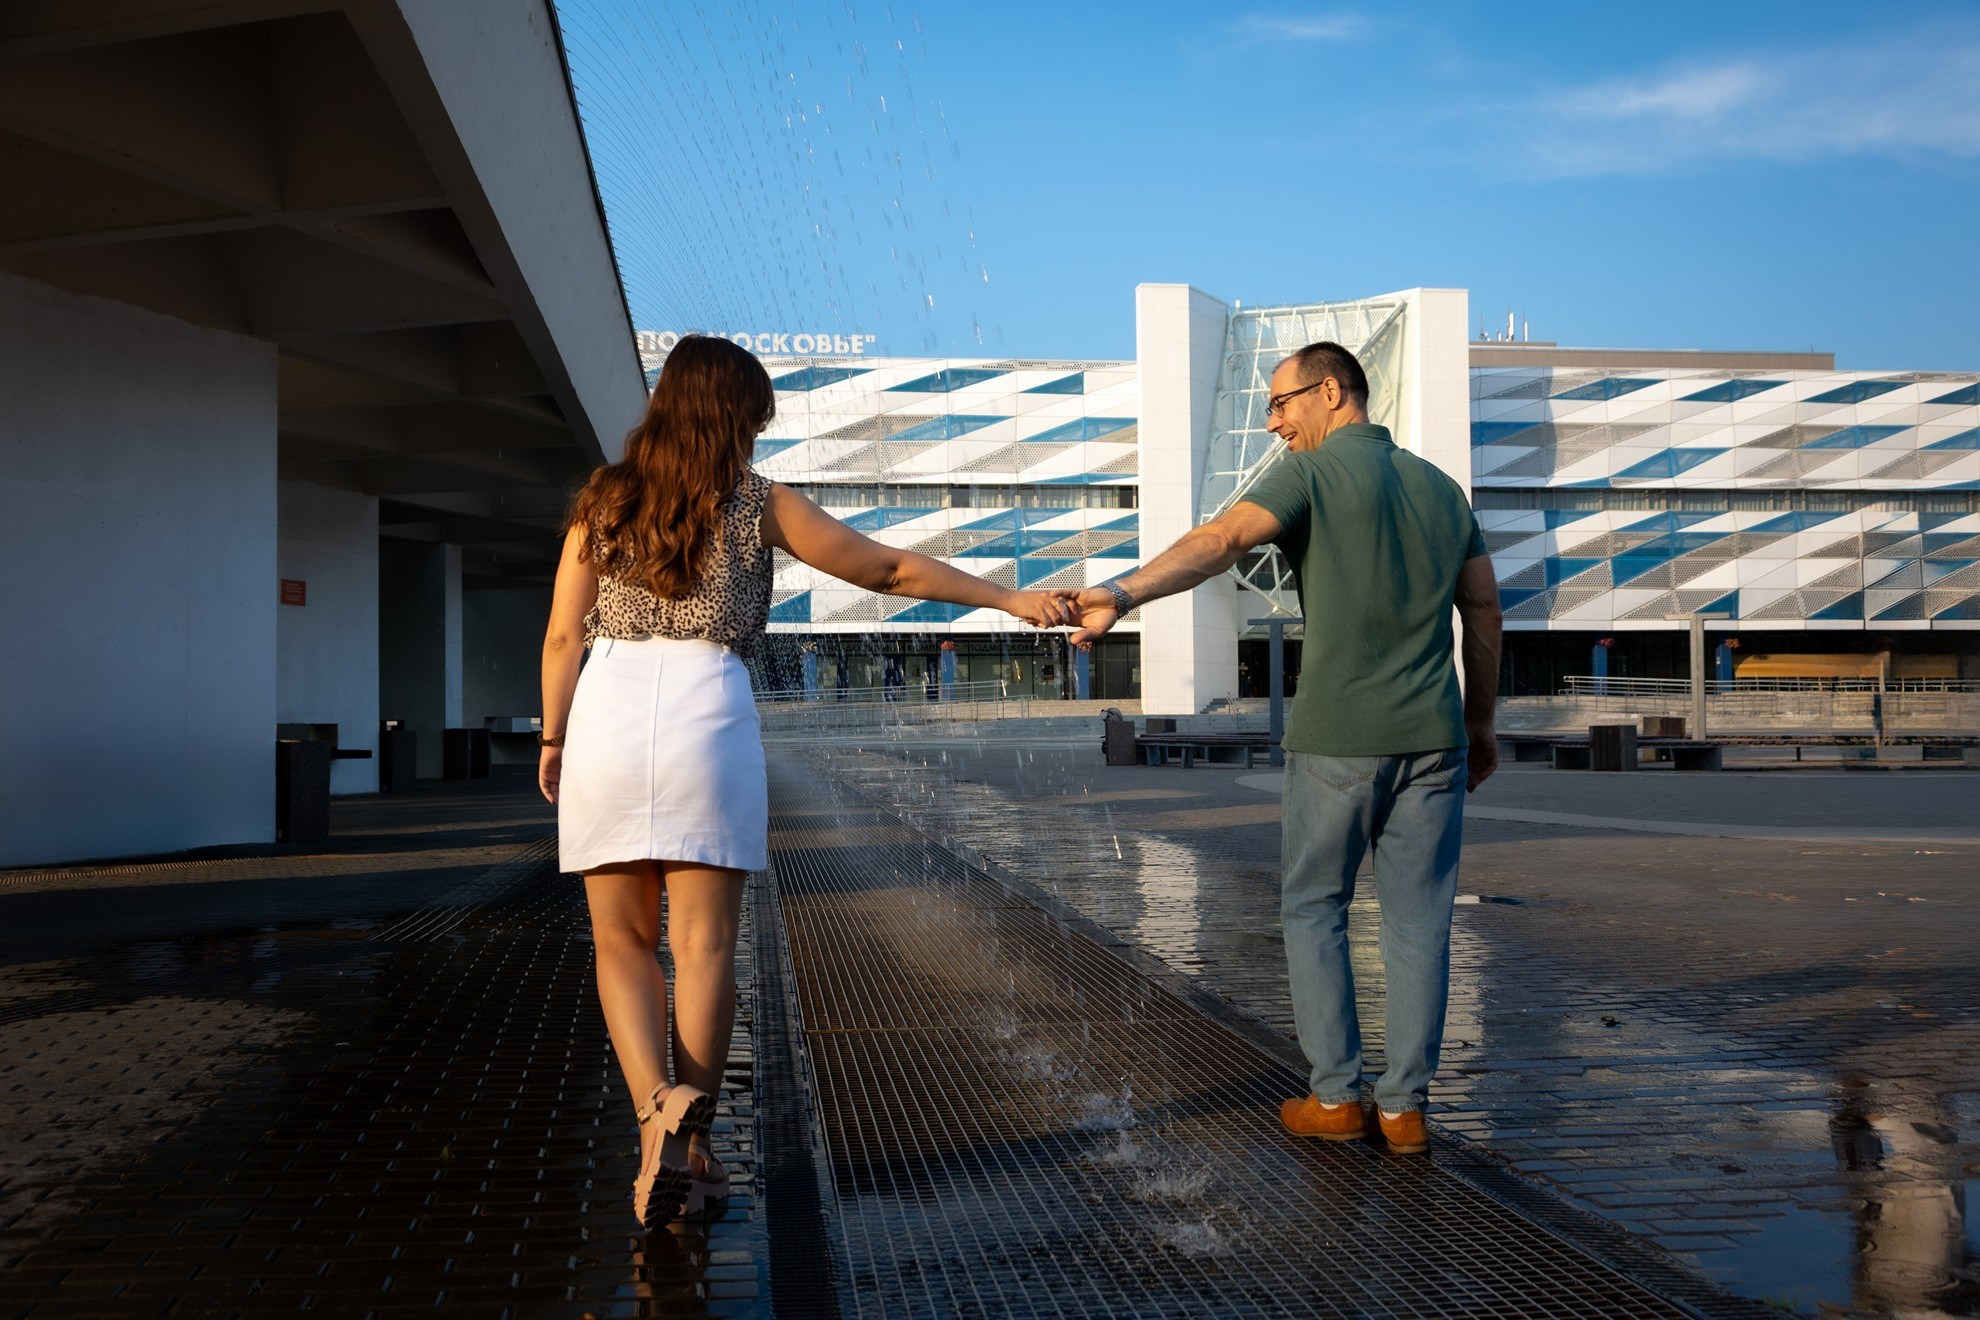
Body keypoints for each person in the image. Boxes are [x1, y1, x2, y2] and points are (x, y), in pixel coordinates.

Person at [538, 335, 1074, 1229]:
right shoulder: (757, 501)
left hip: (608, 711)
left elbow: (563, 634)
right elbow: (887, 569)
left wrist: (554, 735)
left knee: (621, 942)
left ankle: (655, 1120)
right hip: (708, 706)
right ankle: (693, 1150)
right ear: (735, 415)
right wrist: (1010, 599)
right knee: (705, 947)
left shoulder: (604, 499)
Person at [1062, 340, 1502, 1154]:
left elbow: (1225, 539)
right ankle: (1405, 1110)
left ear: (1331, 392)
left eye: (1280, 404)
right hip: (1434, 739)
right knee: (1418, 923)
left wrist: (1121, 593)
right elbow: (1482, 608)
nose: (1273, 424)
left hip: (1338, 738)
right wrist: (1480, 722)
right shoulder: (1443, 489)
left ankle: (1335, 1097)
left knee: (1314, 906)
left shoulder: (1311, 475)